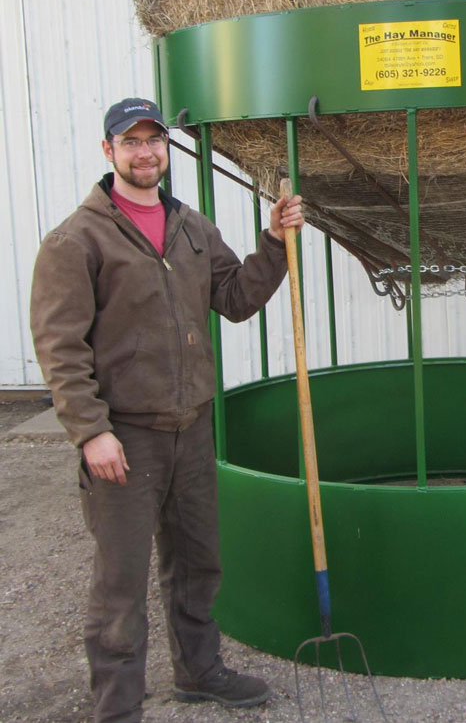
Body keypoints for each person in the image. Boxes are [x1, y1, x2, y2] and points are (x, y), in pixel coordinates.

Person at [29, 98, 304, 723]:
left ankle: (198, 672)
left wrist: (274, 241)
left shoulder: (191, 228)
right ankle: (118, 707)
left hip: (191, 425)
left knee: (197, 561)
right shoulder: (77, 239)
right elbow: (60, 347)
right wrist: (91, 432)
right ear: (109, 152)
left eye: (155, 140)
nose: (145, 152)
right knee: (120, 585)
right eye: (131, 142)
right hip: (125, 436)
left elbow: (234, 298)